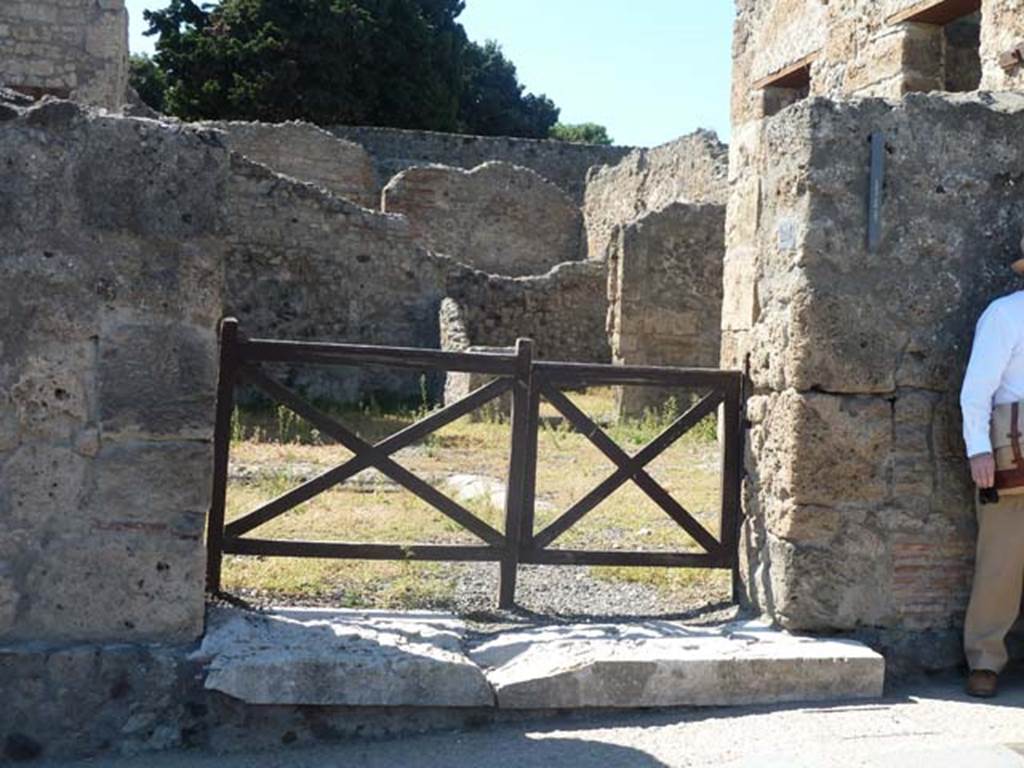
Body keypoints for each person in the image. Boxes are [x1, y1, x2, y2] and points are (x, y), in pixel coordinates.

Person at [960, 235, 1024, 698]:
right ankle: (985, 659)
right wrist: (978, 450)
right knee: (1001, 564)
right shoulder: (1005, 315)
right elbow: (976, 389)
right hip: (1012, 456)